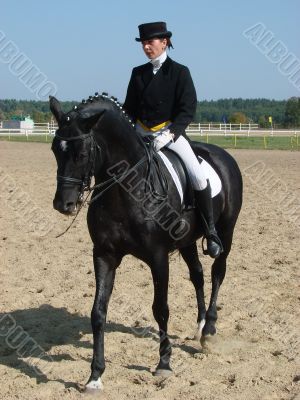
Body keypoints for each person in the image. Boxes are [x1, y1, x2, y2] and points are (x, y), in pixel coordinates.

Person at [123, 21, 223, 258]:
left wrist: (169, 134)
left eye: (150, 42)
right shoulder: (138, 73)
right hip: (141, 134)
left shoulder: (180, 72)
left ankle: (210, 231)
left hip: (170, 134)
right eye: (144, 43)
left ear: (164, 42)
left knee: (197, 174)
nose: (147, 47)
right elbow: (128, 109)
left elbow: (187, 109)